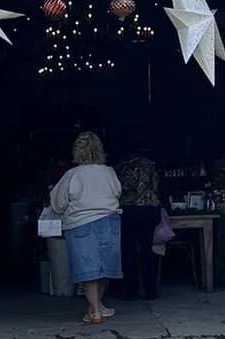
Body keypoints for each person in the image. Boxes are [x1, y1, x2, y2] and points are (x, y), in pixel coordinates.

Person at [50, 131, 122, 324]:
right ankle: (97, 306)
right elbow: (117, 192)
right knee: (104, 268)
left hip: (81, 223)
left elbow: (57, 202)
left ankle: (96, 311)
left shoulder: (72, 175)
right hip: (109, 221)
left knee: (88, 269)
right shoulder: (109, 172)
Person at [117, 146, 162, 301]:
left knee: (128, 251)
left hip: (129, 210)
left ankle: (131, 290)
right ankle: (151, 291)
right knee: (147, 250)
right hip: (149, 210)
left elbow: (121, 189)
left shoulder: (123, 167)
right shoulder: (150, 165)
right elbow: (155, 187)